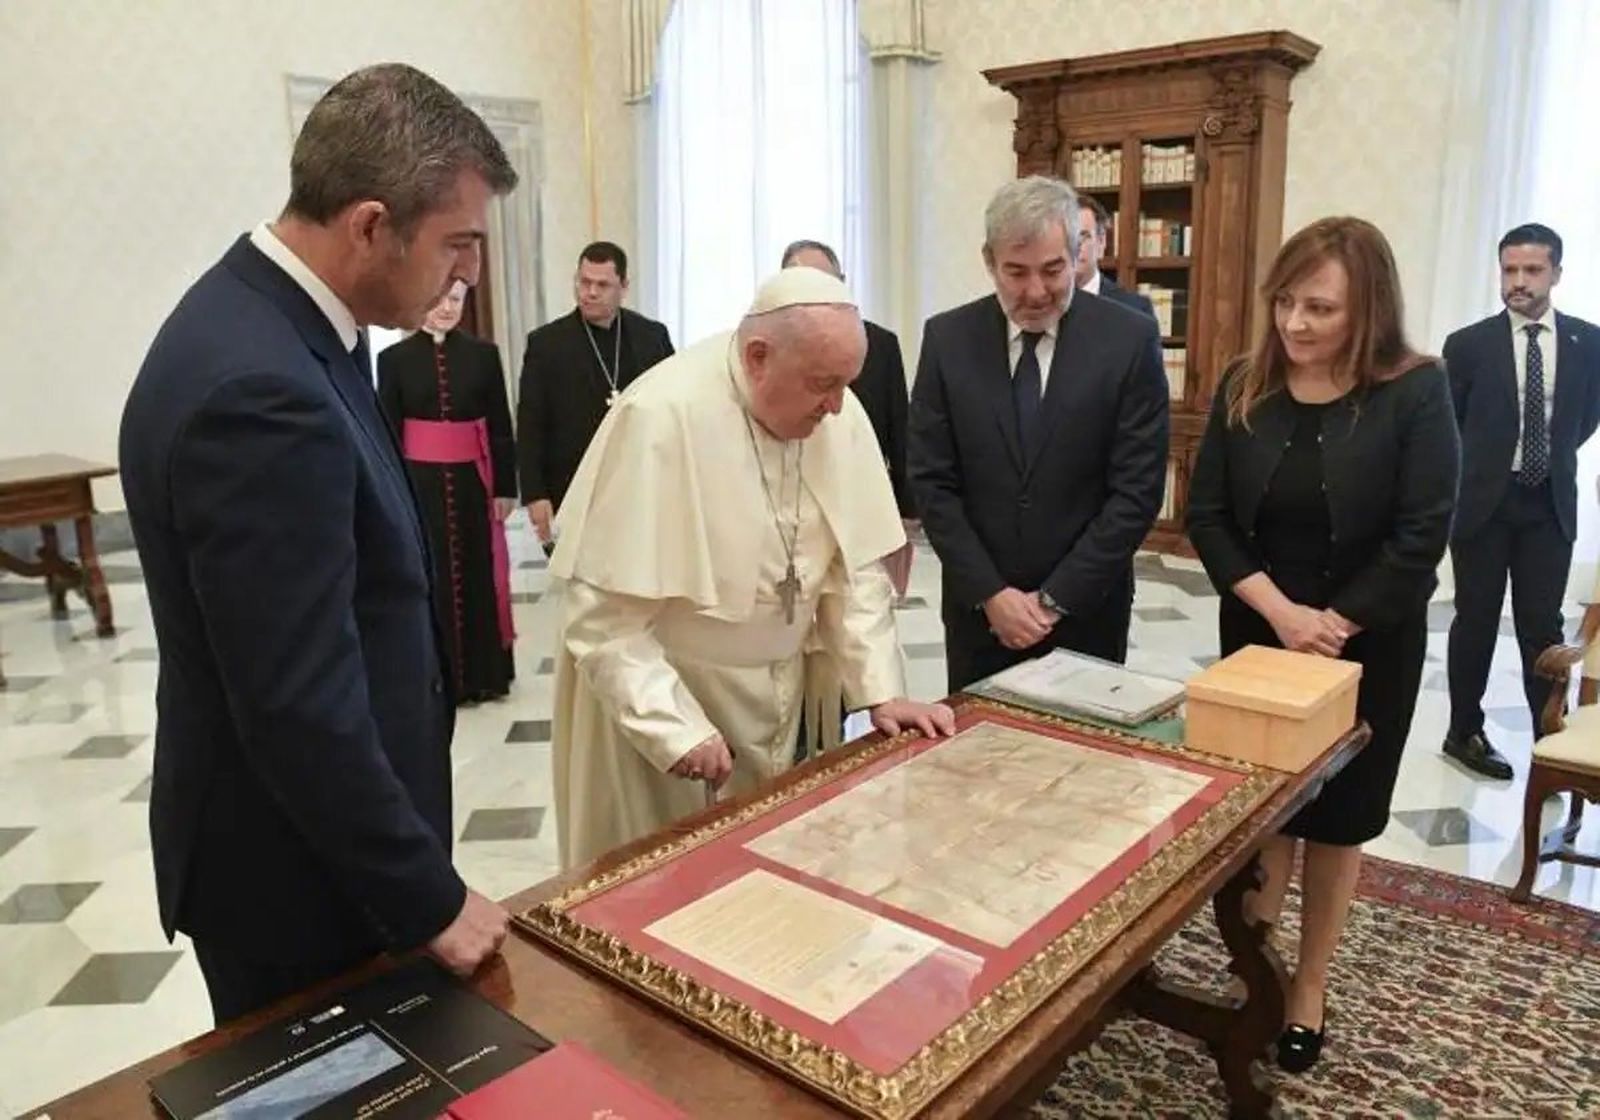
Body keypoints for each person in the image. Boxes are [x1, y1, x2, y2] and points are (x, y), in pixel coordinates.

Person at [118, 64, 517, 1024]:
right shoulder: (259, 390)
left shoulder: (279, 323)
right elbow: (297, 703)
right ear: (372, 224)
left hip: (323, 853)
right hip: (300, 881)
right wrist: (429, 896)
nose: (469, 274)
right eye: (458, 244)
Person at [548, 267, 955, 869]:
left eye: (847, 384)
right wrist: (675, 728)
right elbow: (603, 622)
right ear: (758, 356)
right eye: (823, 384)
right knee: (665, 884)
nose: (838, 406)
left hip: (781, 695)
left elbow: (853, 574)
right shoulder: (661, 416)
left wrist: (880, 692)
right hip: (669, 702)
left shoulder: (836, 413)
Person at [1186, 216, 1460, 1073]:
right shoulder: (1244, 385)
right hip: (1260, 632)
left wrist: (1331, 626)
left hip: (1369, 641)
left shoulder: (1415, 391)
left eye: (1321, 308)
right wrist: (1283, 617)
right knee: (1265, 808)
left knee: (1338, 820)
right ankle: (1255, 965)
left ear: (1368, 310)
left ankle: (1308, 983)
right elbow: (1208, 518)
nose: (1296, 324)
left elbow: (1422, 534)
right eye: (1285, 302)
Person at [909, 175, 1169, 691]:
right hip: (980, 615)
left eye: (1052, 271)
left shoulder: (1128, 339)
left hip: (1087, 610)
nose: (1034, 292)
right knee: (977, 762)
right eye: (1015, 272)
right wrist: (992, 594)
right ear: (989, 261)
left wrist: (1052, 601)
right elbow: (932, 481)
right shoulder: (947, 339)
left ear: (1078, 254)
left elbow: (1136, 490)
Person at [1442, 223, 1600, 779]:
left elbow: (1582, 422)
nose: (1519, 282)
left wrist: (1542, 459)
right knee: (1476, 620)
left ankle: (1547, 737)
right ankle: (1463, 731)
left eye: (1532, 271)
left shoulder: (1590, 342)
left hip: (1547, 507)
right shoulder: (1467, 345)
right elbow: (1453, 425)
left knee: (1542, 626)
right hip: (1483, 505)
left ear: (1556, 273)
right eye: (1509, 270)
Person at [378, 280, 517, 704]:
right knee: (430, 574)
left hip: (474, 484)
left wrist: (506, 488)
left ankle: (482, 675)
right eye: (438, 299)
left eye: (455, 300)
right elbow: (386, 430)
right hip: (420, 485)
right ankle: (440, 677)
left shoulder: (483, 355)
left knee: (478, 572)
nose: (446, 309)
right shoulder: (393, 360)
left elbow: (499, 426)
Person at [779, 238, 917, 595]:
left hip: (861, 495)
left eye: (829, 281)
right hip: (793, 504)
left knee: (865, 603)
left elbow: (899, 427)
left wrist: (906, 510)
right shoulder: (769, 347)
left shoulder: (880, 343)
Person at [516, 242, 675, 552]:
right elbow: (530, 423)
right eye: (584, 282)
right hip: (571, 488)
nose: (590, 292)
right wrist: (535, 494)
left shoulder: (652, 337)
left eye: (602, 285)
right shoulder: (547, 344)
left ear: (624, 286)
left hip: (638, 487)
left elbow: (671, 409)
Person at [1073, 194, 1157, 321]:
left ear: (1101, 242)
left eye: (1083, 236)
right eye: (1066, 238)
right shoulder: (1039, 306)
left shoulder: (1135, 309)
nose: (1074, 246)